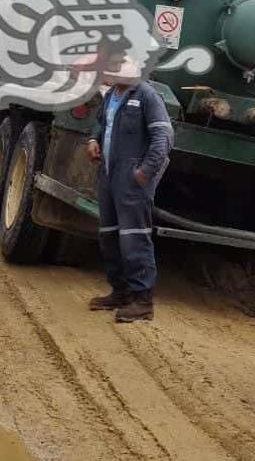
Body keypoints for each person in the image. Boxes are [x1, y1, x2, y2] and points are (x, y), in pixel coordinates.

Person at [85, 52, 174, 322]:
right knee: (109, 236)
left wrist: (145, 172)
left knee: (134, 237)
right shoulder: (111, 95)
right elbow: (101, 124)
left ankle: (143, 300)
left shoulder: (147, 96)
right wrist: (92, 140)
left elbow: (164, 137)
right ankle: (120, 292)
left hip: (132, 181)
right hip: (109, 176)